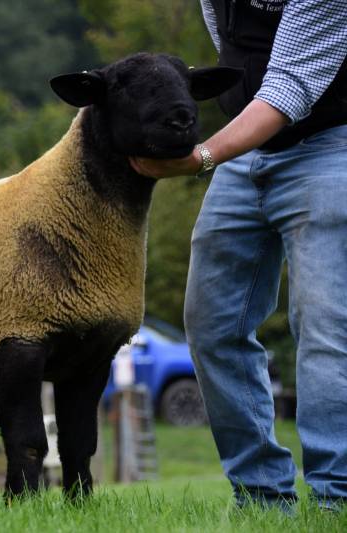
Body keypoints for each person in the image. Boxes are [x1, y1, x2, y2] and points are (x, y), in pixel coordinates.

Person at [129, 0, 347, 510]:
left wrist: (203, 155)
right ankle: (261, 495)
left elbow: (288, 86)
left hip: (329, 147)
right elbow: (233, 44)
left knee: (324, 326)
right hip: (249, 153)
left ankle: (335, 499)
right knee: (211, 323)